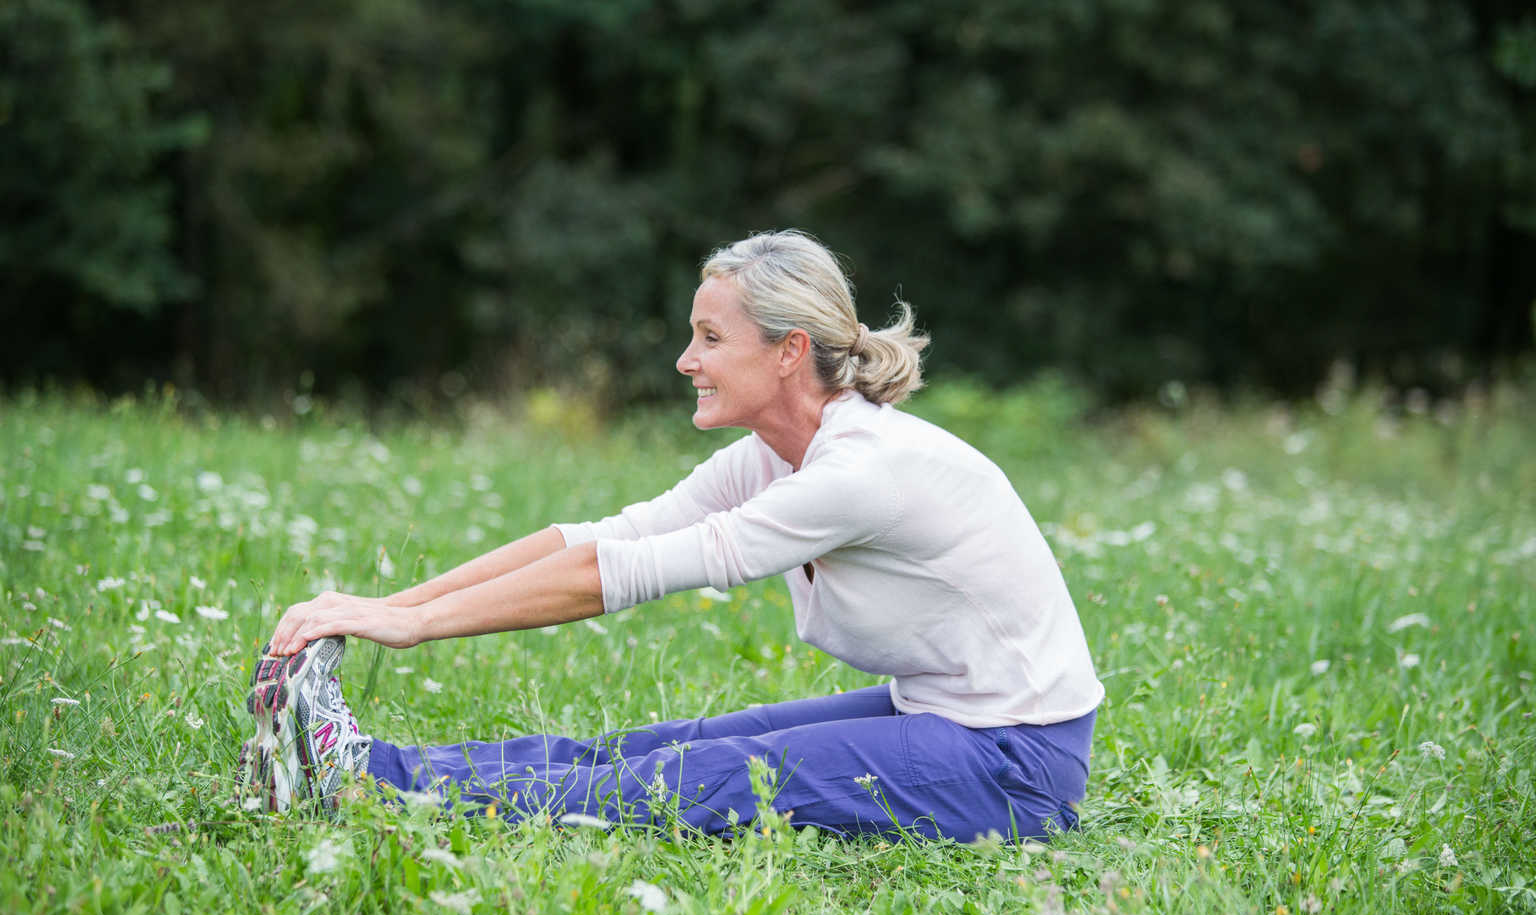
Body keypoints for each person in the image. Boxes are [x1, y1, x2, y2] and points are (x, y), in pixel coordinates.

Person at [237, 230, 1104, 841]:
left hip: (1015, 764)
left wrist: (414, 627)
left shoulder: (857, 470)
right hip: (948, 717)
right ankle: (367, 767)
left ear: (788, 352)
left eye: (710, 337)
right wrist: (381, 607)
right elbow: (604, 534)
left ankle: (365, 785)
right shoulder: (775, 453)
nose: (687, 359)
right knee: (674, 748)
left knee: (703, 781)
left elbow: (624, 573)